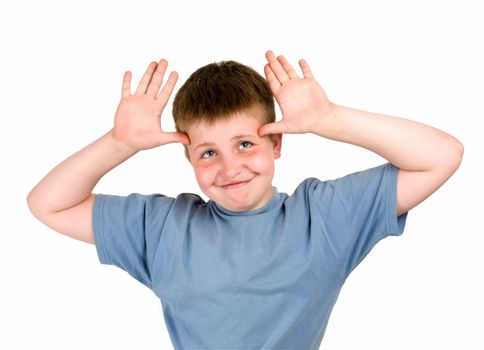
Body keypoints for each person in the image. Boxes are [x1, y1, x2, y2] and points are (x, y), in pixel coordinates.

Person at [27, 50, 463, 349]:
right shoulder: (162, 226)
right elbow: (48, 203)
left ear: (276, 145)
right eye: (208, 153)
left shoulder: (325, 216)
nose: (230, 168)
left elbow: (441, 156)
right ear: (189, 159)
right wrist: (119, 143)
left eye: (245, 145)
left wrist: (331, 118)